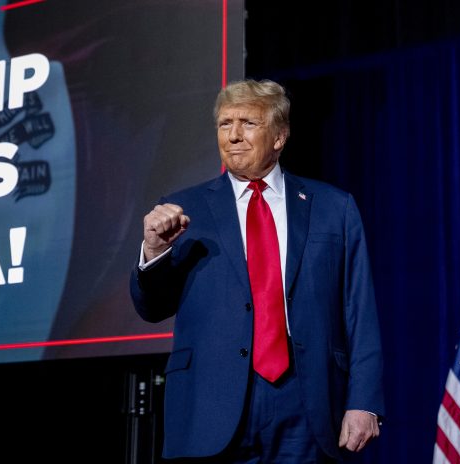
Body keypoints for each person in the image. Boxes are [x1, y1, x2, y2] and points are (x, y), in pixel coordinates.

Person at [130, 79, 385, 463]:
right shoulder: (184, 209)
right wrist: (154, 249)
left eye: (248, 123)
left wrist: (364, 401)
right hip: (210, 403)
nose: (233, 136)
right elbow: (151, 307)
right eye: (224, 124)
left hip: (307, 401)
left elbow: (359, 311)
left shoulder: (334, 208)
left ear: (280, 136)